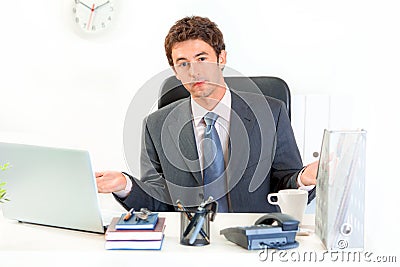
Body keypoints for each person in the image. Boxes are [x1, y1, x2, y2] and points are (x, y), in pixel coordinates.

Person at [96, 16, 318, 213]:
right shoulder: (156, 125)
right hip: (189, 241)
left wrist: (304, 178)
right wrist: (125, 185)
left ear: (221, 58)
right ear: (175, 71)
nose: (194, 71)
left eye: (202, 59)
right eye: (183, 64)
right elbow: (157, 200)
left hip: (253, 237)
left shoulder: (272, 113)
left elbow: (285, 185)